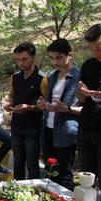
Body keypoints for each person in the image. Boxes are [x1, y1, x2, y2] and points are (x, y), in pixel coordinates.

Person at [76, 23, 101, 201]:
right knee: (85, 180)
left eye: (99, 48)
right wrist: (81, 94)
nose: (95, 53)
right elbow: (82, 99)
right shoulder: (89, 65)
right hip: (87, 130)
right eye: (91, 49)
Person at [36, 39, 81, 190]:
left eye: (59, 57)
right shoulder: (52, 76)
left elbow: (86, 108)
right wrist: (44, 104)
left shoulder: (79, 77)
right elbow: (51, 102)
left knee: (64, 171)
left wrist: (67, 109)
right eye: (51, 58)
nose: (55, 62)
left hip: (66, 130)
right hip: (48, 127)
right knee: (50, 169)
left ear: (70, 55)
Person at [5, 42, 46, 180]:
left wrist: (29, 107)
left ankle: (34, 193)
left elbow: (47, 106)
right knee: (18, 162)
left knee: (32, 164)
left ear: (33, 58)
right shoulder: (15, 77)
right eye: (17, 60)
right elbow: (12, 95)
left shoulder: (43, 78)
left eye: (24, 59)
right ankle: (17, 192)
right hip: (16, 126)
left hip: (34, 128)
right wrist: (8, 104)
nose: (21, 63)